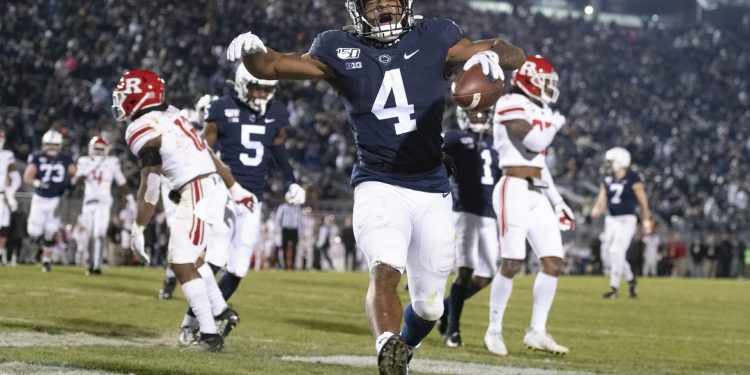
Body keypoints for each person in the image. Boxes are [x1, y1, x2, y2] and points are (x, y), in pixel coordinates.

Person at [226, 1, 525, 372]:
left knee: (431, 306)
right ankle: (387, 343)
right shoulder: (337, 47)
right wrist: (252, 51)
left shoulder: (434, 36)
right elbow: (270, 65)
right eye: (373, 1)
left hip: (432, 186)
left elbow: (512, 53)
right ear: (358, 10)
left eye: (391, 0)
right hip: (378, 181)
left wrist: (495, 57)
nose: (383, 5)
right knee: (386, 265)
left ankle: (405, 347)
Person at [113, 69, 257, 351]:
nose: (120, 101)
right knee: (193, 260)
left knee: (180, 262)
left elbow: (151, 182)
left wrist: (139, 227)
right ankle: (222, 311)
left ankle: (208, 334)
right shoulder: (173, 115)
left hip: (197, 189)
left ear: (139, 98)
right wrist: (234, 188)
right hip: (209, 186)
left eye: (125, 96)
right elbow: (208, 153)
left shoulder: (142, 127)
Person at [483, 55, 574, 356]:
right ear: (529, 79)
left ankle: (537, 331)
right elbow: (534, 141)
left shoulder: (539, 107)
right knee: (511, 262)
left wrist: (558, 201)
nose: (549, 88)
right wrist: (556, 124)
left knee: (553, 262)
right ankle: (494, 329)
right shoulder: (510, 102)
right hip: (513, 188)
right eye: (545, 81)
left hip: (537, 192)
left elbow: (540, 162)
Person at [437, 106, 500, 348]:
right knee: (464, 270)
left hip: (488, 213)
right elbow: (433, 155)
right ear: (464, 115)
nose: (480, 118)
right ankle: (452, 331)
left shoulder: (495, 142)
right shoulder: (454, 137)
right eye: (476, 114)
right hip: (464, 209)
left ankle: (444, 310)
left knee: (486, 274)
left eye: (484, 114)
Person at [591, 147, 651, 298]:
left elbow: (643, 201)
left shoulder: (633, 177)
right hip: (611, 219)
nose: (610, 164)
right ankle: (631, 280)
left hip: (627, 218)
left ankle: (613, 288)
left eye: (612, 161)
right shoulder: (607, 178)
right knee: (609, 253)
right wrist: (597, 209)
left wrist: (645, 219)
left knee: (616, 251)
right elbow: (602, 199)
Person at [72, 136, 134, 275]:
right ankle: (91, 262)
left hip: (104, 203)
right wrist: (93, 165)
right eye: (96, 149)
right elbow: (76, 180)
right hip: (88, 203)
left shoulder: (112, 163)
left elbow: (122, 183)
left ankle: (96, 266)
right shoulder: (84, 161)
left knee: (99, 233)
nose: (98, 152)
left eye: (101, 149)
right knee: (88, 235)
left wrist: (130, 199)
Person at [23, 129, 76, 272]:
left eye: (54, 144)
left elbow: (76, 173)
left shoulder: (66, 159)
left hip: (56, 199)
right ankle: (41, 247)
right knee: (33, 231)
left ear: (59, 145)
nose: (51, 147)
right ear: (44, 144)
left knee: (51, 230)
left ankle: (46, 261)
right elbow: (27, 176)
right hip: (40, 198)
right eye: (49, 144)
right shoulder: (37, 157)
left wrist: (72, 183)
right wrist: (36, 183)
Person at [0, 130, 21, 265]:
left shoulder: (7, 155)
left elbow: (16, 177)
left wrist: (10, 194)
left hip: (2, 196)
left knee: (4, 228)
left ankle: (0, 254)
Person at [276, 201, 303, 270]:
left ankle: (293, 265)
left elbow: (300, 220)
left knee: (294, 248)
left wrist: (300, 231)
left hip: (294, 229)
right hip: (285, 229)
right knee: (283, 247)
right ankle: (284, 265)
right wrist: (278, 230)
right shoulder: (282, 207)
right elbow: (278, 219)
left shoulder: (297, 207)